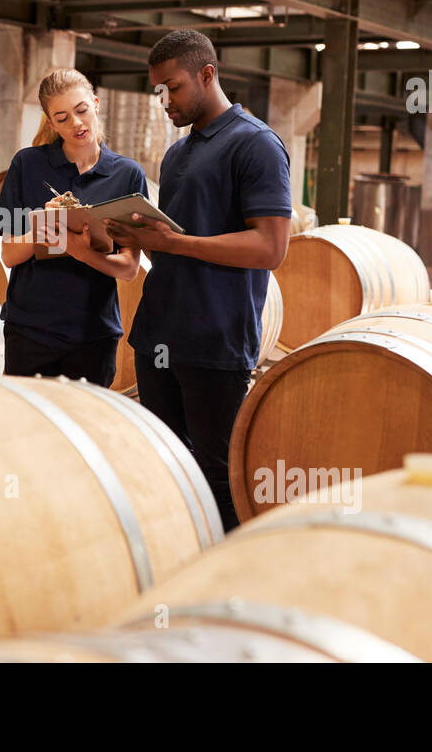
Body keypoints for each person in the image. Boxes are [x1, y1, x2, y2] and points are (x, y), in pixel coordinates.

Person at [105, 30, 291, 532]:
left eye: (174, 87)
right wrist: (131, 234)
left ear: (208, 74)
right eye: (158, 91)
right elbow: (177, 238)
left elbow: (271, 248)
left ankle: (223, 588)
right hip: (158, 336)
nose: (164, 101)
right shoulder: (178, 154)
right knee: (167, 468)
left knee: (218, 479)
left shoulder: (257, 146)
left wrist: (175, 244)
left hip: (216, 341)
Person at [0, 68, 147, 387]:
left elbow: (129, 268)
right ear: (50, 122)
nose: (75, 123)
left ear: (96, 104)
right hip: (30, 331)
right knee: (26, 430)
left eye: (81, 111)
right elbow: (9, 255)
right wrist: (42, 229)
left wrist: (79, 250)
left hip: (94, 336)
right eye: (62, 118)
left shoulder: (127, 175)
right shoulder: (28, 164)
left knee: (83, 431)